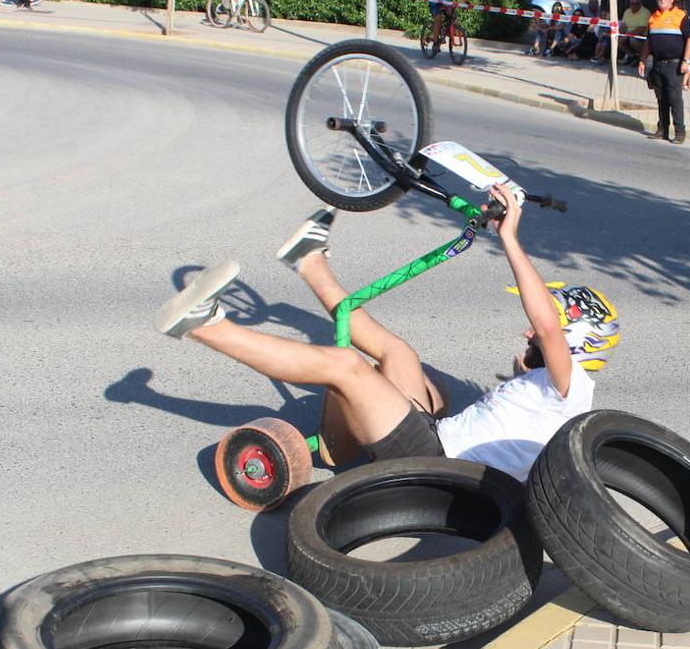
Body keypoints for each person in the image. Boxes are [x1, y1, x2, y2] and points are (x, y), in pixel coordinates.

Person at [153, 186, 621, 483]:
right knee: (398, 354)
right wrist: (526, 368)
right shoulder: (550, 389)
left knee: (345, 366)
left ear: (576, 340)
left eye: (548, 332)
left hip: (433, 463)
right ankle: (309, 262)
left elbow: (544, 327)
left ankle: (205, 325)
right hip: (432, 437)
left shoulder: (573, 386)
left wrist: (510, 239)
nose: (529, 332)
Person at [638, 0, 690, 144]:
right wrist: (642, 60)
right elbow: (648, 42)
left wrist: (685, 61)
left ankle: (679, 132)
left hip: (674, 65)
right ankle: (662, 129)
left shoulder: (681, 16)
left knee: (674, 98)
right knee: (661, 98)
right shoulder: (653, 17)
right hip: (658, 64)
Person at [618, 0, 650, 66]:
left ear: (640, 3)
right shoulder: (627, 12)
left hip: (641, 37)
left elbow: (641, 29)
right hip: (628, 34)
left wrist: (627, 35)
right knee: (617, 40)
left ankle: (641, 57)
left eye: (636, 4)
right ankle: (632, 56)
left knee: (633, 40)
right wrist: (621, 33)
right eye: (632, 4)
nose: (634, 6)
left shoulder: (645, 12)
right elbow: (623, 25)